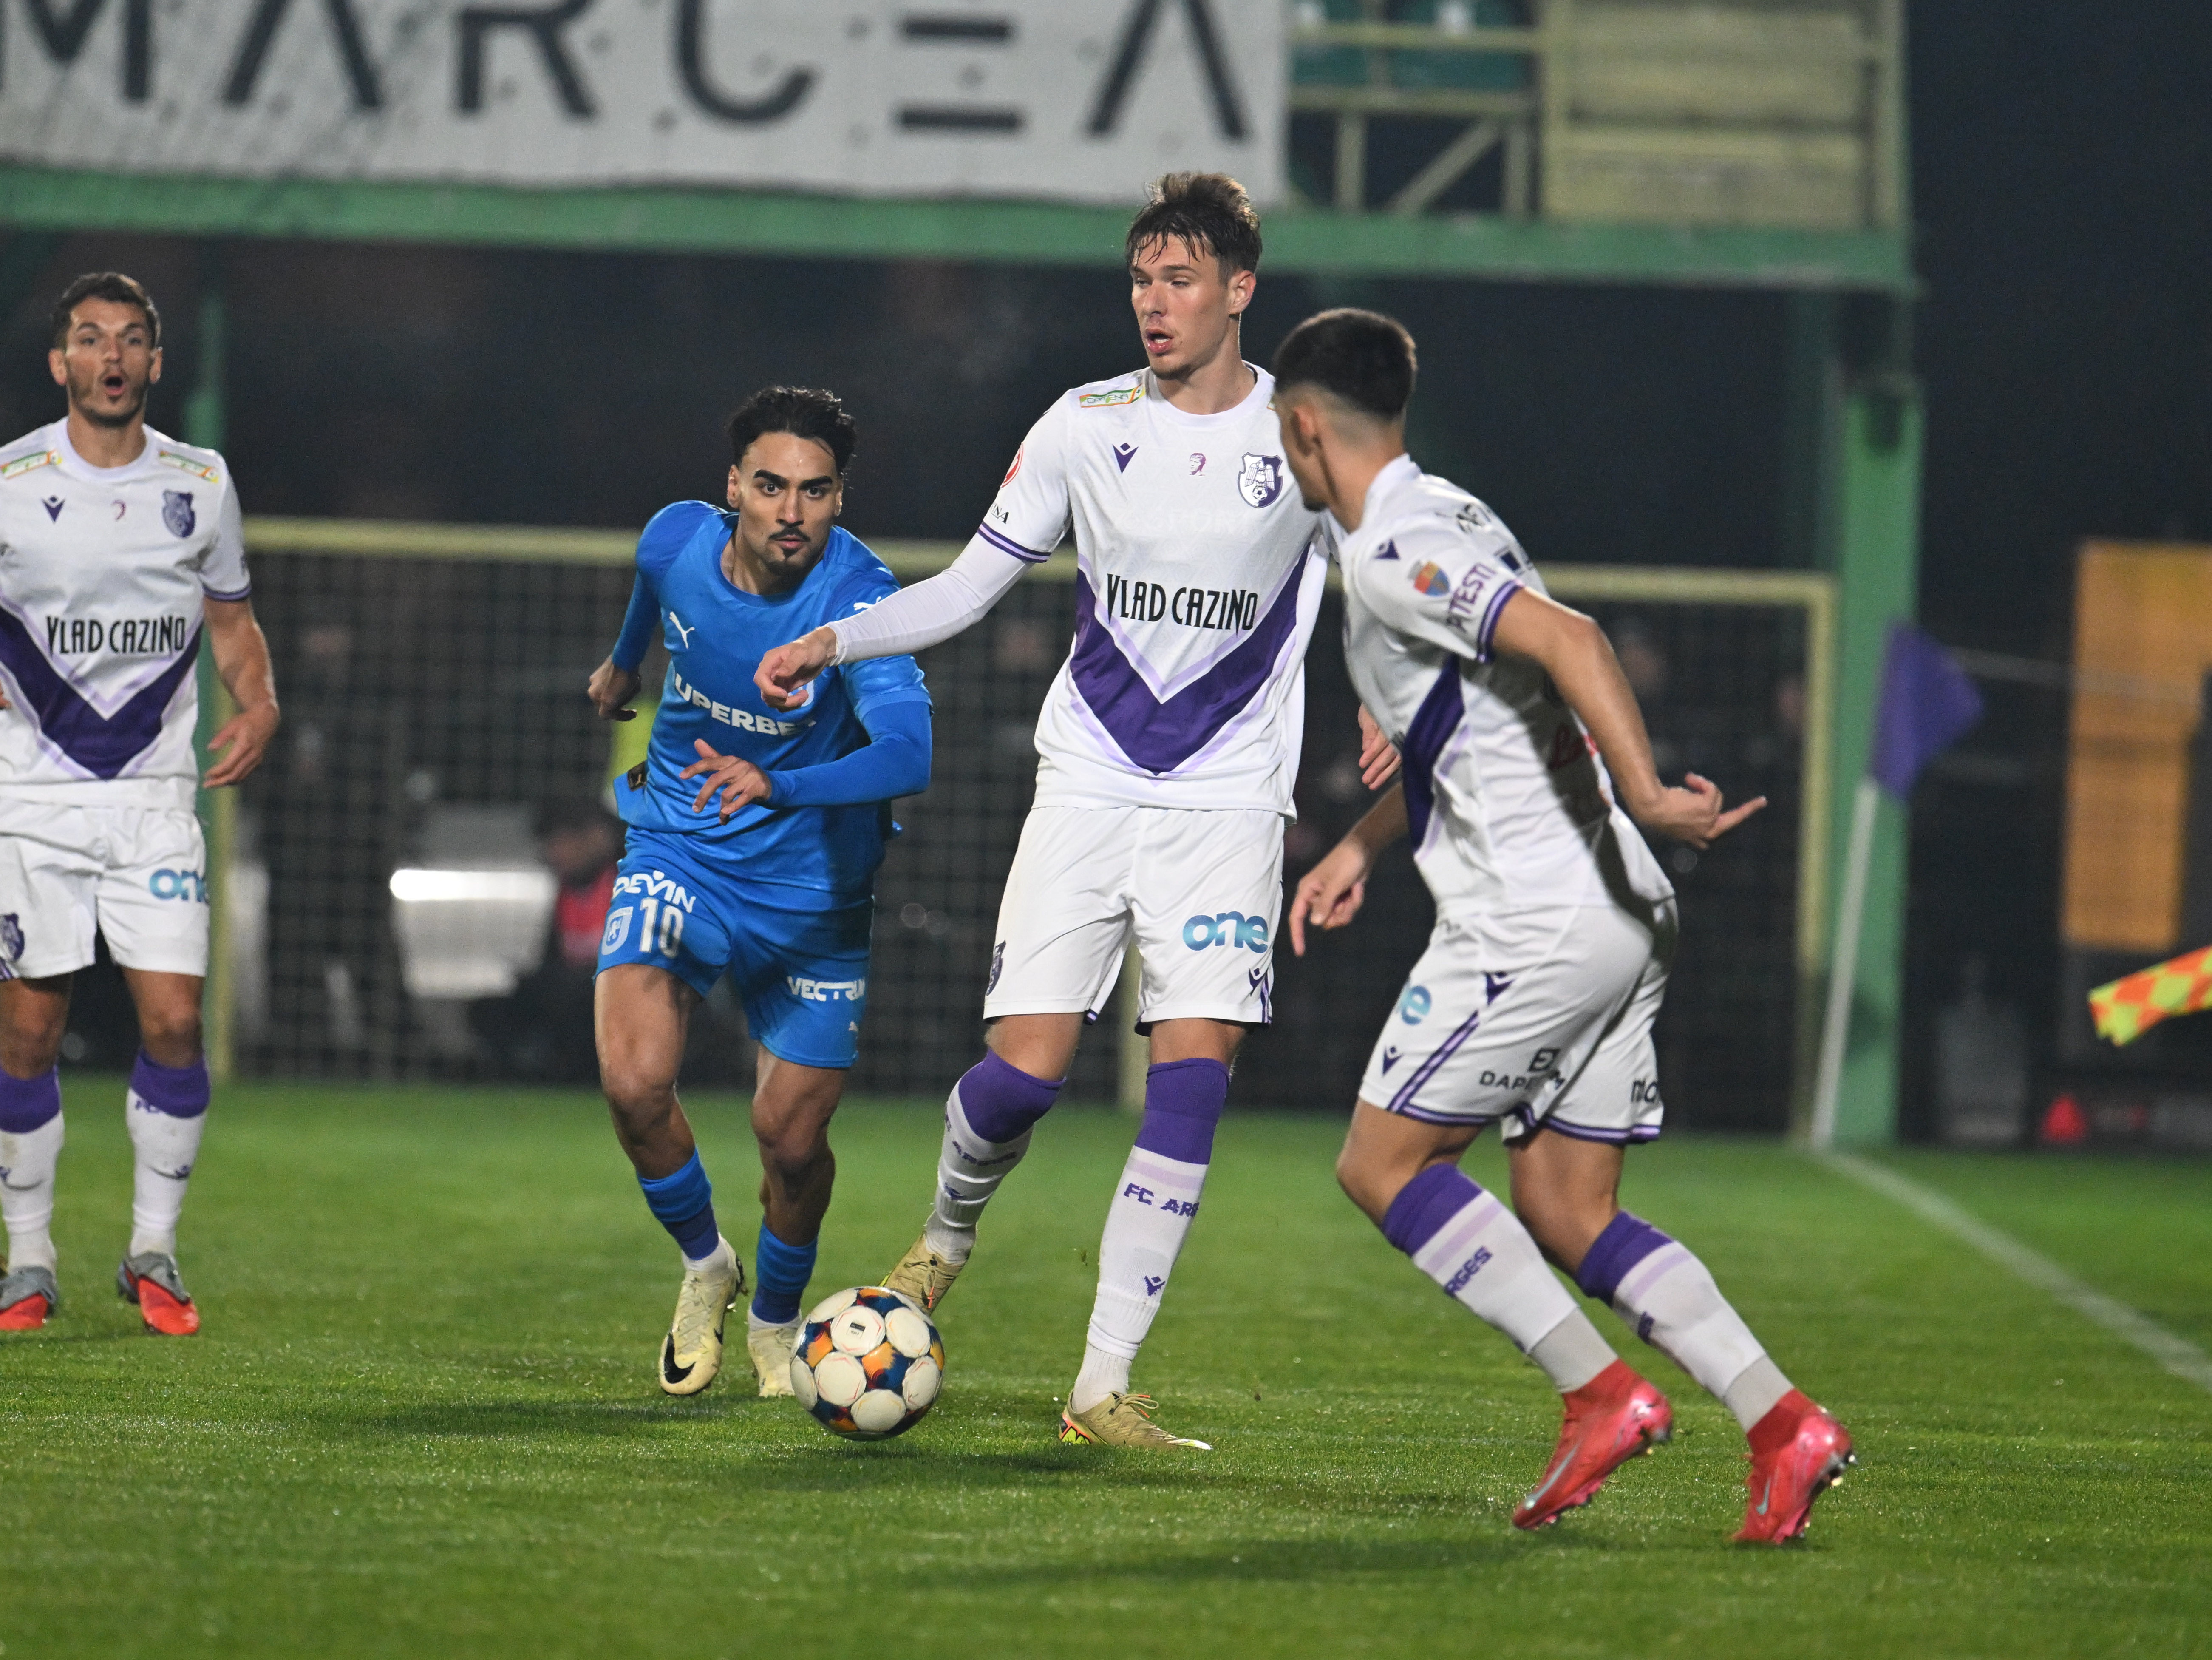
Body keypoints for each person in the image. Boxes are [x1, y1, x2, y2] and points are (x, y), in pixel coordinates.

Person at [756, 174, 1396, 1449]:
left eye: (1177, 281)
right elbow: (966, 589)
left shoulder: (1303, 432)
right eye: (1139, 282)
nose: (1152, 305)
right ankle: (943, 1241)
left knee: (1193, 1077)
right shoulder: (1079, 425)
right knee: (1022, 1076)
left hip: (1226, 801)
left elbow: (1372, 578)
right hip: (1089, 783)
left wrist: (1383, 693)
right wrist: (834, 638)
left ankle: (1100, 1386)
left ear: (1237, 291)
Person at [1275, 308, 1853, 1544]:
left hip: (1534, 918)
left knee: (1379, 1166)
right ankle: (1781, 1424)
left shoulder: (1394, 550)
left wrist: (1645, 787)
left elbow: (1569, 639)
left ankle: (1599, 1396)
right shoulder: (1453, 514)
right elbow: (1484, 722)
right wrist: (1360, 843)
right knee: (1564, 1207)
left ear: (1305, 426)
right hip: (1621, 905)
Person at [586, 387, 930, 1399]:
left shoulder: (861, 603)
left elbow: (907, 753)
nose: (791, 510)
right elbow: (655, 594)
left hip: (814, 891)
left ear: (838, 499)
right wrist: (619, 668)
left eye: (815, 491)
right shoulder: (675, 539)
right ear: (732, 486)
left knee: (790, 1142)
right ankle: (706, 1266)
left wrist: (778, 782)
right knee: (631, 1081)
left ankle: (778, 1319)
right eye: (771, 486)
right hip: (679, 848)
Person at [0, 272, 280, 1336]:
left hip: (156, 799)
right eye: (88, 340)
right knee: (28, 1033)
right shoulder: (13, 481)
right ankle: (28, 1261)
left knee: (171, 1021)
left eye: (129, 341)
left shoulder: (200, 482)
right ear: (60, 362)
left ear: (155, 364)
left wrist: (258, 703)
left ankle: (152, 1249)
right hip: (30, 798)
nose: (109, 357)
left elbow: (232, 621)